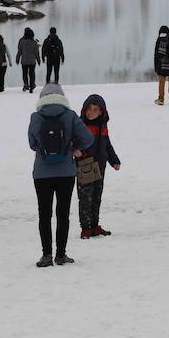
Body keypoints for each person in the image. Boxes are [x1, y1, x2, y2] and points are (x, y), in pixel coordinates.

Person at [28, 83, 94, 267]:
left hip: (41, 173)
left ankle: (46, 255)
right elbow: (88, 139)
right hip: (66, 172)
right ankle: (61, 255)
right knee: (63, 213)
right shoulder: (70, 116)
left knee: (44, 214)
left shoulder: (36, 117)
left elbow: (32, 143)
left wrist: (45, 150)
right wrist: (73, 148)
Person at [76, 94, 121, 239]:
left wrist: (114, 160)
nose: (91, 112)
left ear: (101, 112)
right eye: (89, 109)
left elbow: (107, 144)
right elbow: (74, 143)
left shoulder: (103, 125)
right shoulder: (80, 124)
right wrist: (79, 154)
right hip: (85, 165)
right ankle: (86, 227)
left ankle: (95, 225)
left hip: (100, 166)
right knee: (85, 197)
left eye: (95, 110)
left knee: (97, 196)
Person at [16, 28, 41, 93]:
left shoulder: (22, 42)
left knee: (24, 73)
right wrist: (38, 60)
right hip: (32, 61)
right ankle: (32, 85)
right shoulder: (34, 42)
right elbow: (36, 53)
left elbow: (19, 51)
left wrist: (17, 59)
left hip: (24, 61)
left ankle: (26, 84)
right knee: (32, 73)